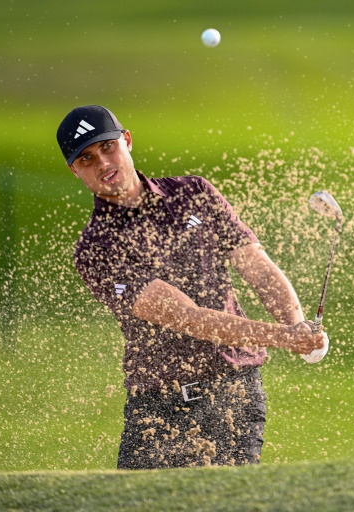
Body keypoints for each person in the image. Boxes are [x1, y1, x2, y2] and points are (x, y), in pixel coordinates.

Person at [56, 105, 325, 469]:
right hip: (157, 403)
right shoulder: (96, 248)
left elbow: (256, 266)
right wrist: (284, 336)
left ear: (127, 141)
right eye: (86, 159)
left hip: (233, 392)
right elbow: (188, 317)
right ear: (75, 170)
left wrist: (298, 323)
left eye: (107, 147)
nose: (102, 163)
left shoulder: (194, 192)